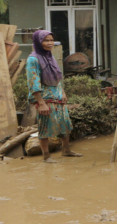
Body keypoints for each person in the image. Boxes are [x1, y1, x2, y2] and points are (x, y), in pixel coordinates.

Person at [26, 30, 81, 162]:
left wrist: (62, 92)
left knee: (64, 123)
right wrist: (41, 103)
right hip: (45, 97)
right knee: (44, 126)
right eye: (46, 40)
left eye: (51, 40)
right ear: (38, 42)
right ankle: (46, 156)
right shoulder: (33, 59)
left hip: (57, 95)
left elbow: (57, 77)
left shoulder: (49, 56)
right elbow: (33, 83)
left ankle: (66, 150)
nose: (50, 43)